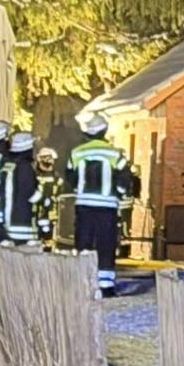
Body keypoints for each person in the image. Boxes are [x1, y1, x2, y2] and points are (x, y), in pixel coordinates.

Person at [70, 112, 139, 295]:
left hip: (84, 205)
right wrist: (119, 194)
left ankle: (82, 283)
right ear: (105, 130)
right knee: (106, 245)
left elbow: (70, 175)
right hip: (107, 206)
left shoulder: (77, 152)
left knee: (84, 243)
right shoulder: (114, 154)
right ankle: (106, 286)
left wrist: (80, 189)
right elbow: (126, 178)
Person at [2, 131, 41, 246]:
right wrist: (41, 194)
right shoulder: (25, 167)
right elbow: (30, 194)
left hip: (9, 220)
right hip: (22, 223)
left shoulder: (9, 165)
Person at [34, 147, 61, 247]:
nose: (48, 160)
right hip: (38, 212)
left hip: (52, 213)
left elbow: (60, 194)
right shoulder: (35, 176)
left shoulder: (57, 178)